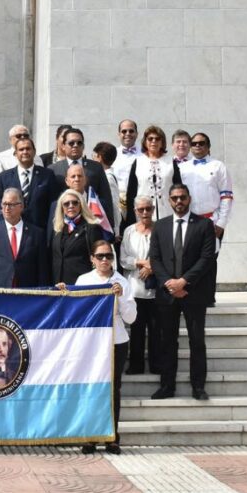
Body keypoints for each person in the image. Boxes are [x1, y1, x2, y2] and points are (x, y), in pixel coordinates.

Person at [149, 183, 216, 401]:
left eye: (183, 197)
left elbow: (206, 259)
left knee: (197, 341)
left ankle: (198, 386)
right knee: (167, 340)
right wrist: (170, 283)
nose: (179, 201)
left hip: (194, 294)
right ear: (169, 200)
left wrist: (184, 282)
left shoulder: (204, 225)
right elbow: (155, 259)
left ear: (189, 198)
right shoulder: (160, 226)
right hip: (167, 294)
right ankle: (167, 386)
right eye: (175, 198)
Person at [72, 240, 137, 455]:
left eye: (108, 256)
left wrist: (121, 298)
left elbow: (131, 317)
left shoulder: (122, 282)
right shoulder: (84, 280)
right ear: (92, 259)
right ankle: (90, 435)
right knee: (91, 387)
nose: (104, 260)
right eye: (100, 256)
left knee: (113, 390)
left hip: (116, 341)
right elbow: (76, 312)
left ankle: (112, 436)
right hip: (91, 344)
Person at [0, 188, 49, 288]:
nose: (7, 208)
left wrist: (43, 294)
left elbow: (43, 270)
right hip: (0, 292)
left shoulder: (37, 234)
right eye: (4, 204)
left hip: (28, 292)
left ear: (21, 206)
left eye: (11, 204)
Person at [121, 195, 158, 375]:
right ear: (135, 211)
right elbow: (123, 259)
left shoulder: (160, 229)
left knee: (155, 329)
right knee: (136, 330)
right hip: (134, 288)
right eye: (141, 209)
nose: (145, 212)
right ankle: (136, 365)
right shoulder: (129, 231)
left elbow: (167, 255)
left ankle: (156, 364)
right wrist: (143, 263)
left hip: (155, 289)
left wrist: (153, 267)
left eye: (148, 209)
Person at [49, 128, 114, 228]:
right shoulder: (53, 169)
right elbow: (51, 201)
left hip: (91, 222)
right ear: (63, 146)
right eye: (71, 143)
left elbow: (106, 197)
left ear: (83, 146)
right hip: (64, 224)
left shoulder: (96, 167)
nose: (75, 145)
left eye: (79, 143)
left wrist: (111, 226)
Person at [180, 132, 233, 249]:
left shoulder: (218, 166)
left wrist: (221, 223)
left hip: (212, 222)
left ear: (208, 146)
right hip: (188, 222)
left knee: (209, 262)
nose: (197, 145)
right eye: (194, 143)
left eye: (201, 143)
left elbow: (226, 196)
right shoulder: (182, 168)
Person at [0, 137, 61, 230]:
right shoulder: (3, 177)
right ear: (15, 153)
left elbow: (54, 207)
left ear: (34, 152)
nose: (25, 152)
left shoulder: (47, 175)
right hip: (12, 232)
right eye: (21, 149)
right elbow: (0, 208)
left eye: (28, 148)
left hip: (39, 232)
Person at [124, 125, 181, 228]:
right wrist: (131, 217)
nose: (153, 141)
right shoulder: (138, 162)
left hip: (167, 212)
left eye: (157, 139)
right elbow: (131, 192)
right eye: (150, 139)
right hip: (144, 213)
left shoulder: (171, 162)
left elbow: (179, 188)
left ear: (162, 142)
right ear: (145, 142)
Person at [50, 189, 104, 285]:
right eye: (66, 204)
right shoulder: (57, 229)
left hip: (82, 284)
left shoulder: (92, 228)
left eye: (75, 203)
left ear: (81, 205)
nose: (71, 206)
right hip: (59, 285)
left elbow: (100, 257)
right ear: (61, 207)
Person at [92, 141, 122, 235]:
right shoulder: (103, 175)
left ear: (99, 157)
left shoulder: (108, 178)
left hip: (107, 227)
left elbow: (114, 205)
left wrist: (116, 229)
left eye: (94, 155)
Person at [112, 119, 140, 195]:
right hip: (118, 200)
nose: (128, 134)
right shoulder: (112, 154)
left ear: (137, 134)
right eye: (124, 131)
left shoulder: (145, 154)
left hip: (140, 200)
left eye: (131, 131)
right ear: (119, 134)